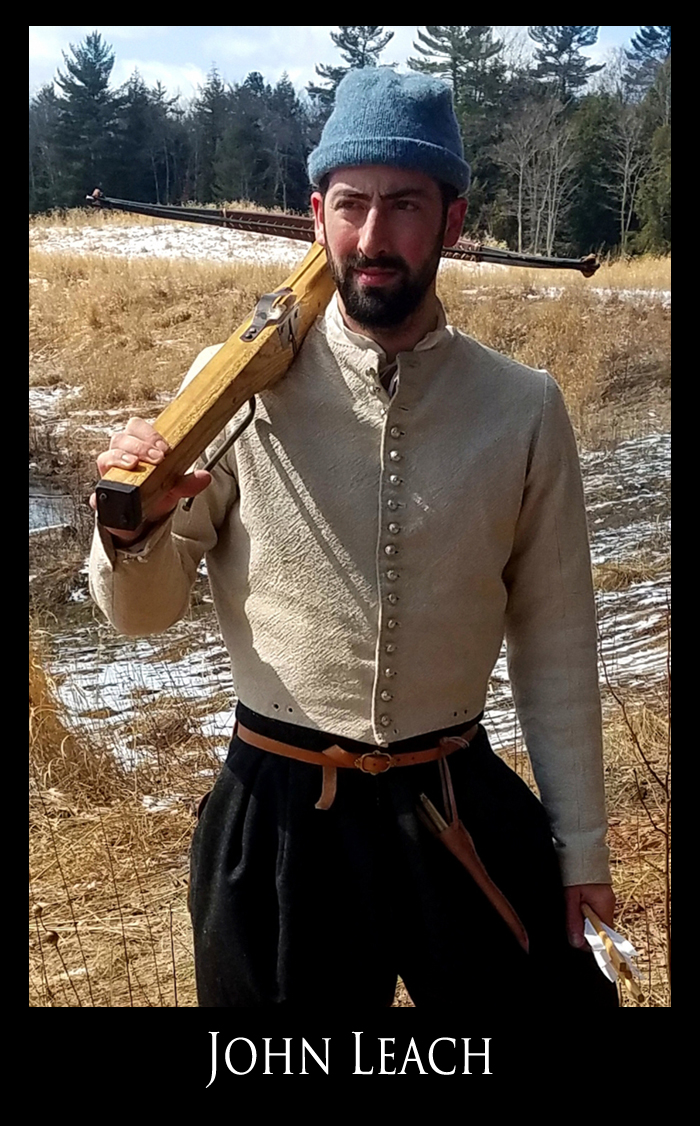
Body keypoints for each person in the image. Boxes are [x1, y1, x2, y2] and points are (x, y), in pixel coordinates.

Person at [89, 68, 617, 1010]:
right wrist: (135, 530)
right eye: (351, 205)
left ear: (454, 220)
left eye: (405, 205)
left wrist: (582, 852)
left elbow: (558, 648)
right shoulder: (232, 386)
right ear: (315, 215)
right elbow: (144, 615)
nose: (373, 238)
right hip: (280, 819)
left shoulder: (523, 409)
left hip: (454, 798)